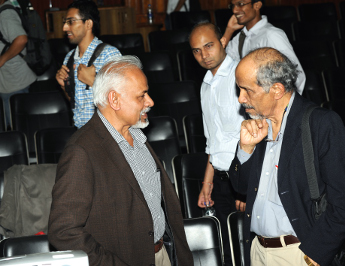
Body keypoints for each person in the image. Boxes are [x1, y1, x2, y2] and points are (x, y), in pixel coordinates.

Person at [48, 56, 193, 266]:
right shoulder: (81, 151)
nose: (150, 102)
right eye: (141, 96)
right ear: (114, 100)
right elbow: (63, 231)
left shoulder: (138, 136)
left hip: (163, 255)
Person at [228, 47, 345, 266]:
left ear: (277, 90)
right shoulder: (259, 123)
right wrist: (246, 149)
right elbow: (241, 188)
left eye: (247, 90)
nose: (241, 98)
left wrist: (317, 253)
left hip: (300, 254)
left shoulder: (321, 123)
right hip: (258, 252)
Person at [189, 22, 245, 266]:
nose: (204, 55)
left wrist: (246, 185)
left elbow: (254, 133)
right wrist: (207, 182)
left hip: (243, 179)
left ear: (222, 42)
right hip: (221, 180)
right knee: (228, 252)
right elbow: (213, 140)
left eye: (208, 46)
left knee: (249, 251)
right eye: (197, 50)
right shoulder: (205, 85)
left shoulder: (240, 76)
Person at [56, 0, 121, 128]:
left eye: (71, 22)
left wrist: (93, 82)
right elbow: (78, 104)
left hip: (107, 132)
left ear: (88, 24)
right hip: (82, 133)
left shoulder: (108, 55)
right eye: (65, 22)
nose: (65, 28)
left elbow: (122, 99)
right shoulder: (69, 58)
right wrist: (64, 87)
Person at [222, 0, 305, 94]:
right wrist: (229, 31)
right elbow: (222, 64)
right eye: (232, 6)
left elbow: (296, 74)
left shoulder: (271, 35)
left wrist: (288, 106)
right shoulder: (241, 37)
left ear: (257, 5)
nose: (235, 10)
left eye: (241, 4)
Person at [0, 0, 36, 127]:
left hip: (14, 80)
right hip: (10, 79)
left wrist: (1, 60)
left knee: (16, 126)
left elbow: (21, 39)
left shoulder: (5, 13)